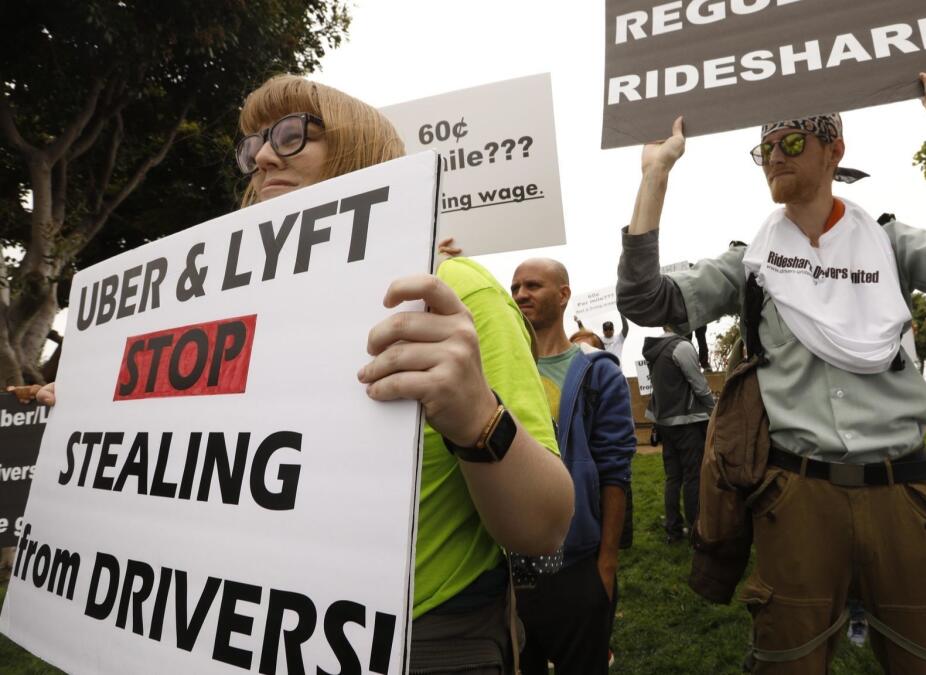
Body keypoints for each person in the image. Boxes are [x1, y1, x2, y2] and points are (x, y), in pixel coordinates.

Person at [38, 75, 575, 674]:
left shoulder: (448, 291)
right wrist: (114, 416)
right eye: (254, 146)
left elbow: (543, 527)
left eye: (293, 136)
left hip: (421, 639)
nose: (263, 156)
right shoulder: (227, 311)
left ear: (361, 151)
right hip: (238, 630)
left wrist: (478, 417)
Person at [616, 72, 926, 673]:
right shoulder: (748, 264)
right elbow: (646, 301)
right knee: (788, 660)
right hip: (794, 496)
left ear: (835, 150)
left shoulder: (890, 246)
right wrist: (655, 175)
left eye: (793, 142)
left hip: (905, 495)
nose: (775, 156)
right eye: (765, 149)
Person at [509, 258, 635, 674]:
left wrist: (606, 564)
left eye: (533, 285)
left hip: (576, 565)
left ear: (563, 295)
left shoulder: (600, 375)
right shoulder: (501, 369)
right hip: (507, 572)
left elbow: (615, 473)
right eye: (515, 287)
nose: (521, 294)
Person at [642, 327, 714, 544]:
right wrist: (714, 410)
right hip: (686, 422)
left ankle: (674, 531)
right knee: (693, 476)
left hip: (665, 422)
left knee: (673, 478)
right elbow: (699, 386)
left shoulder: (654, 348)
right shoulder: (681, 346)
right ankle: (696, 531)